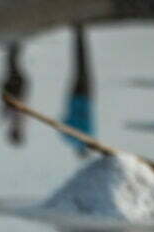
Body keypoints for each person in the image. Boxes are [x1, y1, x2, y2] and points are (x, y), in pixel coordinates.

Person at [61, 23, 95, 156]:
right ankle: (77, 35)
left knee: (83, 65)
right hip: (73, 98)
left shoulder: (88, 136)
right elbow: (63, 121)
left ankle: (80, 33)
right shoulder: (67, 139)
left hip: (85, 97)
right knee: (77, 67)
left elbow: (87, 119)